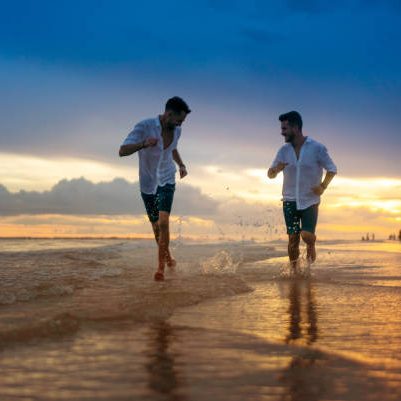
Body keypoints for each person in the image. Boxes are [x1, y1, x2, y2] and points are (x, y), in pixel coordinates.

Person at [119, 96, 190, 281]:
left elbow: (172, 148)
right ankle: (168, 258)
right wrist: (143, 144)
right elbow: (122, 150)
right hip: (148, 183)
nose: (180, 124)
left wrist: (181, 165)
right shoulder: (144, 126)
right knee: (156, 227)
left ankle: (160, 269)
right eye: (179, 120)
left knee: (164, 221)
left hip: (167, 179)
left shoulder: (177, 130)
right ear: (168, 114)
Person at [267, 111, 337, 270]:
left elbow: (332, 169)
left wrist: (323, 186)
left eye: (285, 129)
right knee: (293, 239)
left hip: (310, 200)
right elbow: (270, 174)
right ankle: (295, 272)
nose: (282, 132)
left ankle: (311, 245)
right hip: (289, 200)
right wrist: (276, 170)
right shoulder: (283, 151)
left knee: (306, 235)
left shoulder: (317, 148)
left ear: (296, 127)